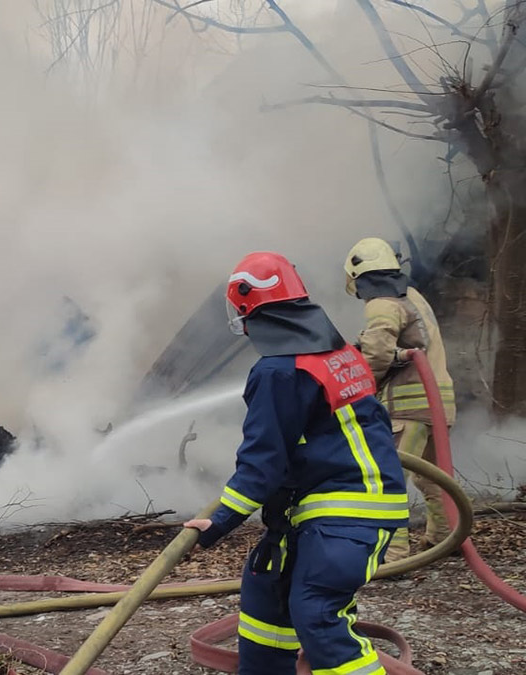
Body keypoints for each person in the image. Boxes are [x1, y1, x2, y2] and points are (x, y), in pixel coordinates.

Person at [184, 251, 408, 675]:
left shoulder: (279, 371)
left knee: (316, 612)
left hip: (346, 512)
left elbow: (263, 462)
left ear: (249, 308)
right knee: (267, 594)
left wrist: (218, 521)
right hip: (322, 509)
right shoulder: (338, 353)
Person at [344, 237, 456, 561]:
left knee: (390, 478)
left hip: (409, 407)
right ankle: (445, 538)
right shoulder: (413, 297)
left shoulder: (382, 303)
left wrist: (360, 386)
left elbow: (378, 354)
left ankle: (393, 554)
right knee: (434, 477)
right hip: (438, 403)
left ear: (359, 277)